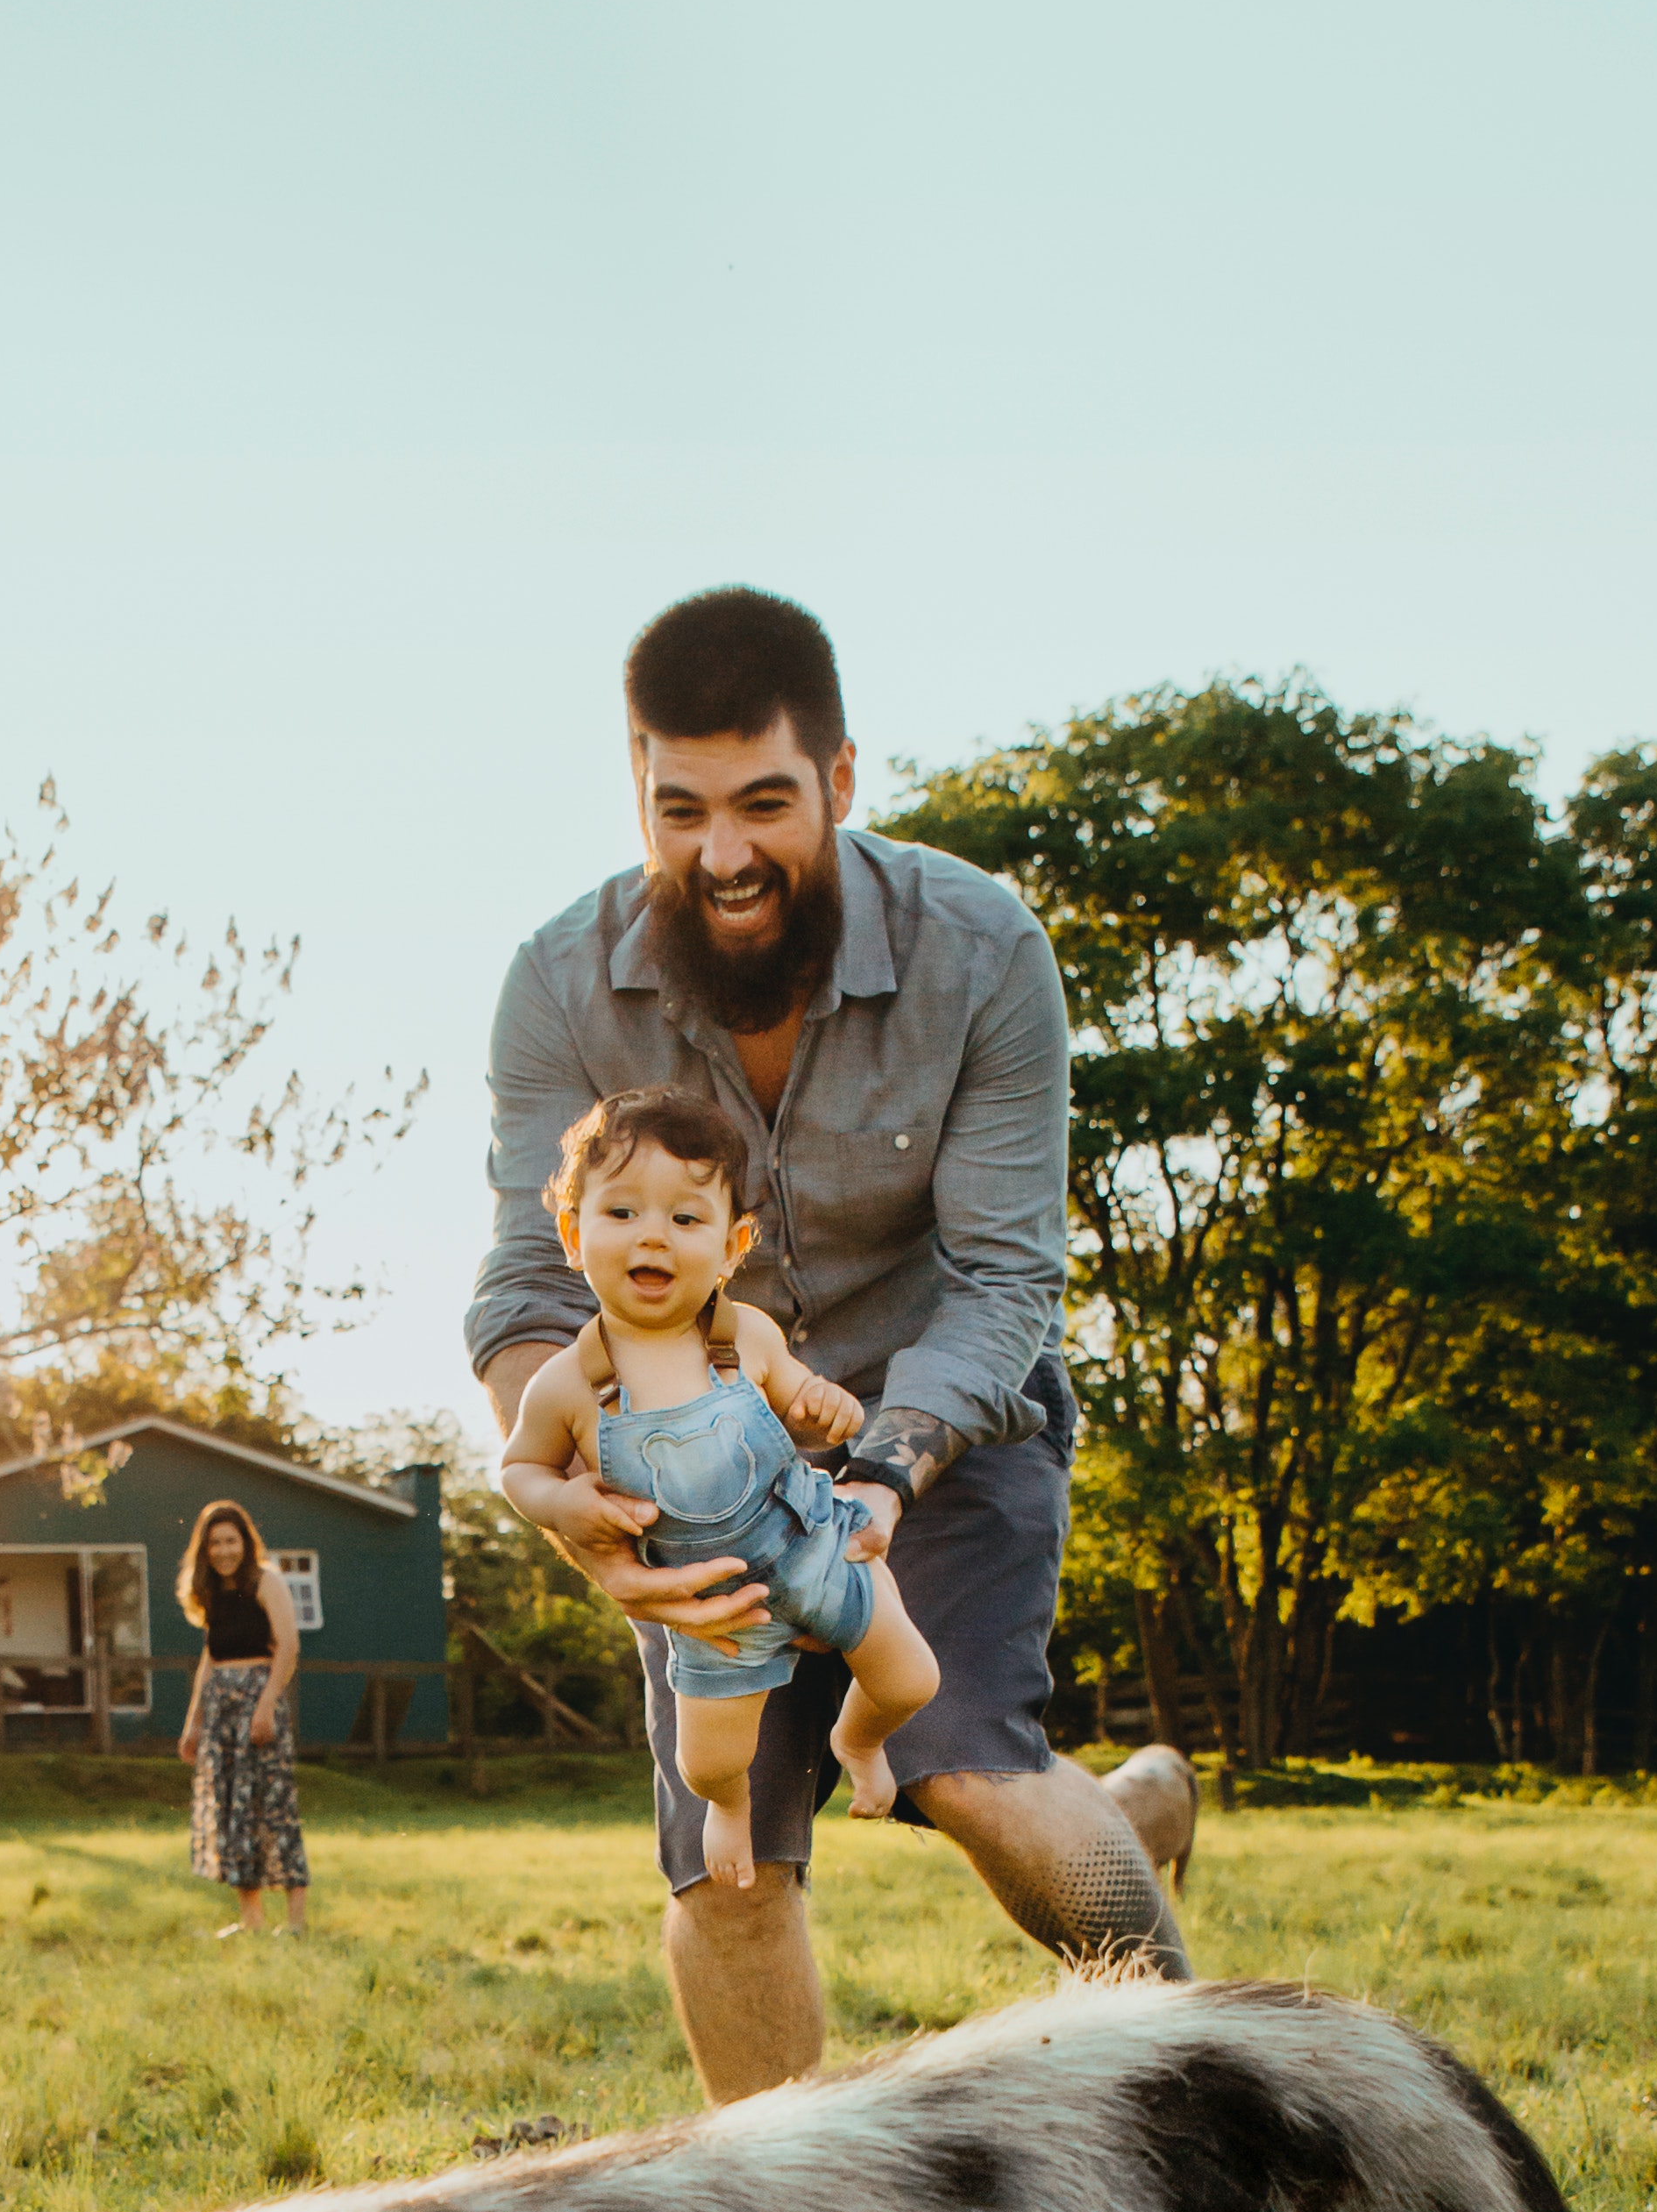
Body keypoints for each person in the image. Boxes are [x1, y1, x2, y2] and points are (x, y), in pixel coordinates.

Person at [469, 581, 1194, 2102]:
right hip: (690, 1468)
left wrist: (872, 1481)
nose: (719, 856)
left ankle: (1200, 2081)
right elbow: (526, 1295)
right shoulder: (553, 985)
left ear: (840, 781)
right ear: (637, 792)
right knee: (729, 1868)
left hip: (944, 1417)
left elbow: (1003, 1283)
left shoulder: (981, 951)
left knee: (968, 1773)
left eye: (762, 803)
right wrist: (564, 1503)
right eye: (678, 809)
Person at [500, 1086, 939, 1890]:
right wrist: (561, 1501)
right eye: (622, 1213)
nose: (653, 1237)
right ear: (572, 1232)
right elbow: (518, 1469)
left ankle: (860, 1740)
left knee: (911, 1678)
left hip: (811, 1544)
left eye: (685, 1218)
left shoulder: (749, 1338)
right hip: (715, 1606)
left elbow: (804, 1397)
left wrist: (826, 1403)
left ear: (733, 1246)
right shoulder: (569, 1384)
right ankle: (730, 1805)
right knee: (707, 1759)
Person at [174, 1497, 310, 1934]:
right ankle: (251, 1922)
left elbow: (288, 1646)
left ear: (245, 1542)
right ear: (205, 1548)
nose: (224, 1550)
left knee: (273, 1806)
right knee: (232, 1811)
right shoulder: (211, 1592)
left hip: (258, 1701)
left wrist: (267, 1704)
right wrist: (193, 1721)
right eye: (215, 1543)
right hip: (220, 1708)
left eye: (231, 1540)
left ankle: (295, 1924)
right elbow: (210, 1659)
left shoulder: (266, 1581)